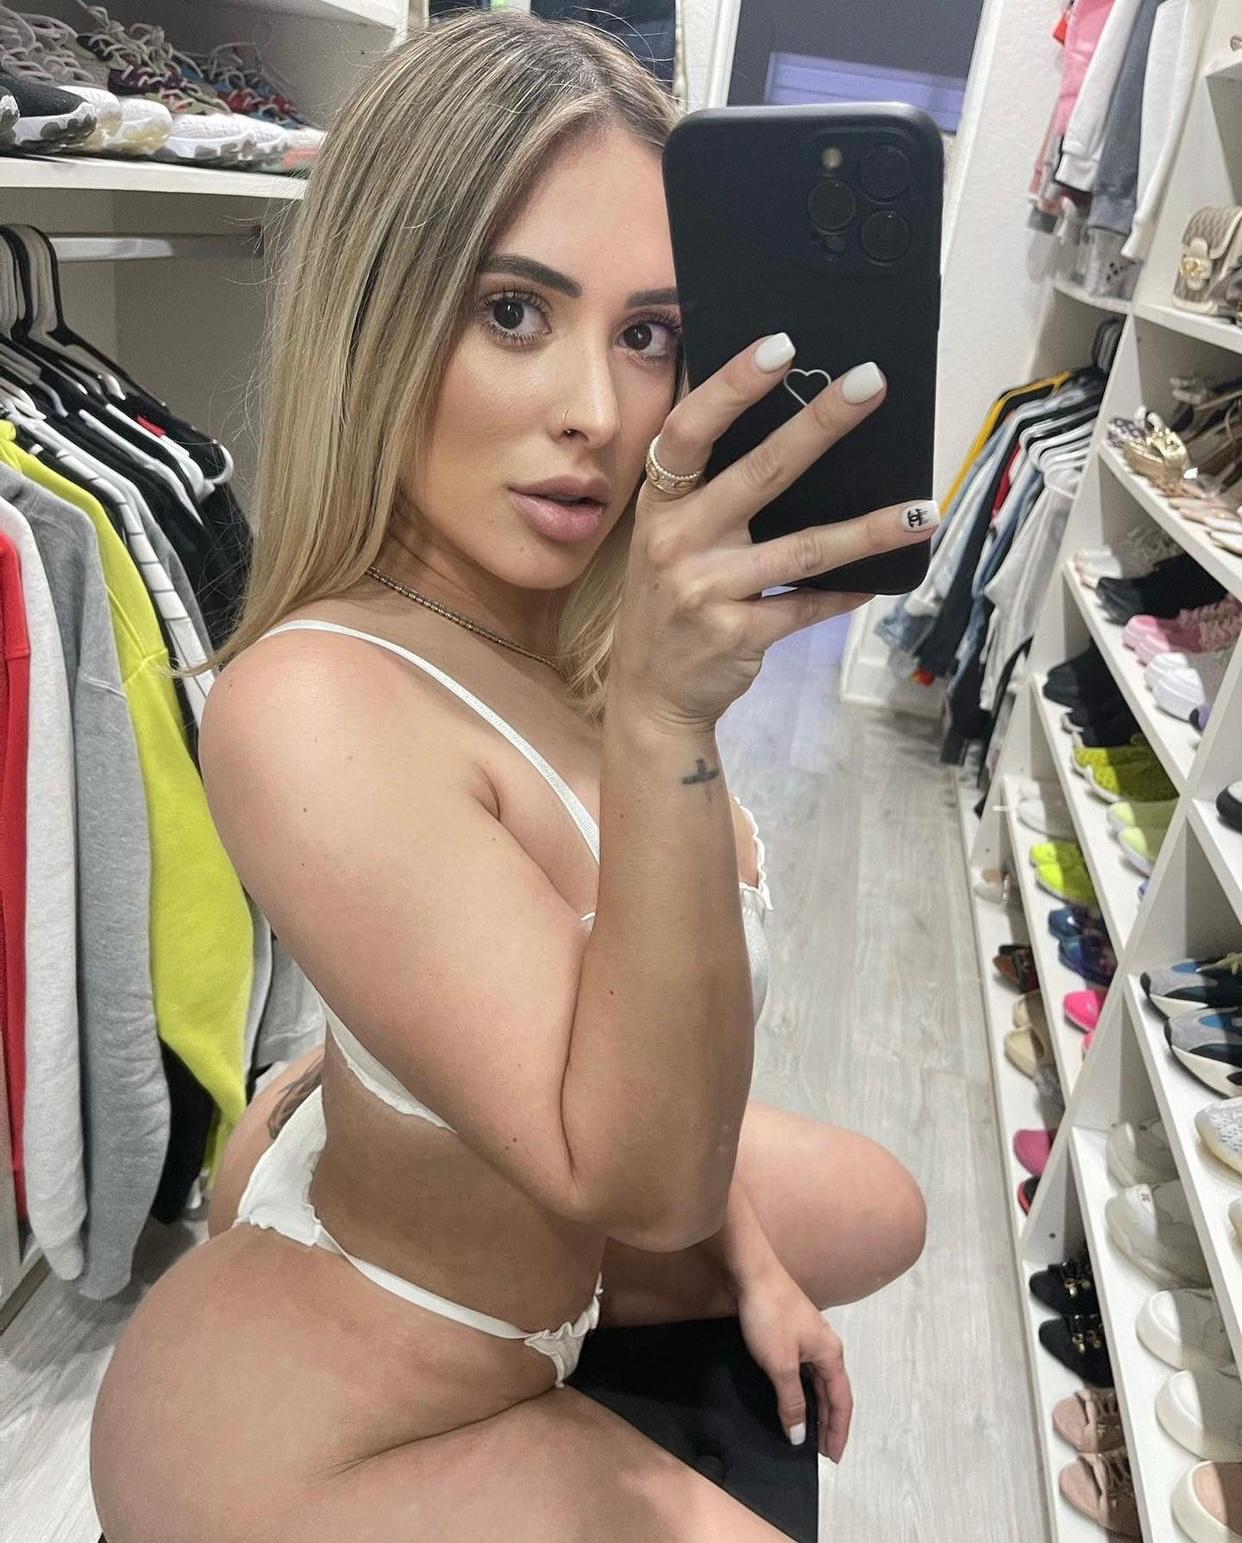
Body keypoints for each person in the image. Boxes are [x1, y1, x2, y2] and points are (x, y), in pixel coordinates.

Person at [89, 12, 934, 1541]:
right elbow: (643, 1185)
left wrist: (748, 1260)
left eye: (648, 334)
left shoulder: (561, 635)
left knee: (883, 1204)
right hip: (338, 1407)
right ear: (379, 315)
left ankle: (340, 1105)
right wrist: (667, 728)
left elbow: (650, 1049)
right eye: (513, 311)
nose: (598, 415)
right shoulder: (312, 699)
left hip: (528, 1246)